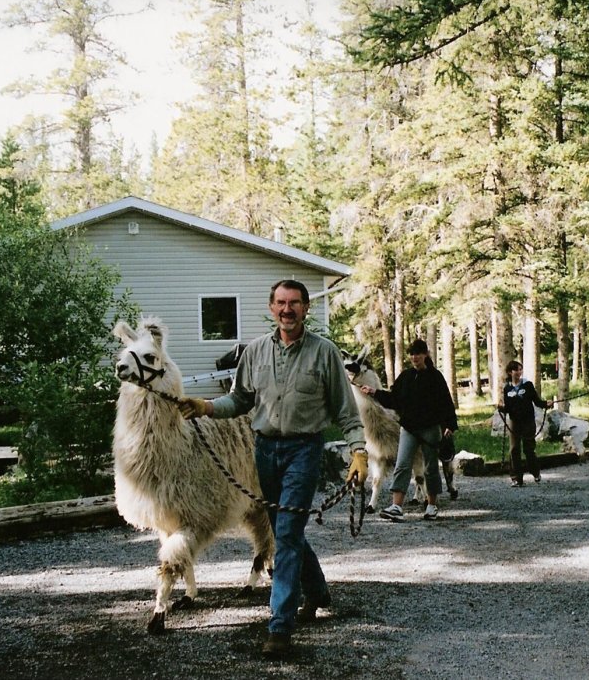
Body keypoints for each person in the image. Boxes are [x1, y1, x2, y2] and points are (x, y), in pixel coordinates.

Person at [178, 279, 368, 658]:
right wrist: (206, 407)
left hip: (304, 450)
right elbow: (240, 400)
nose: (287, 309)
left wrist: (358, 452)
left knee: (285, 533)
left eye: (294, 303)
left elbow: (347, 412)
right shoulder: (255, 353)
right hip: (264, 451)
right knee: (289, 529)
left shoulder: (325, 353)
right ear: (271, 308)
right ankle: (317, 591)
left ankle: (280, 625)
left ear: (305, 308)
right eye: (281, 303)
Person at [360, 338, 457, 522]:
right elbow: (394, 399)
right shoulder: (405, 377)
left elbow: (446, 403)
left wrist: (449, 426)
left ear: (425, 354)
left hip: (430, 429)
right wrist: (374, 393)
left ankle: (431, 505)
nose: (414, 357)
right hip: (409, 428)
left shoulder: (435, 377)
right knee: (402, 464)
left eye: (418, 354)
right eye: (412, 354)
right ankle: (396, 506)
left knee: (430, 468)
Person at [498, 360, 553, 486]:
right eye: (516, 370)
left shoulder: (527, 385)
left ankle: (535, 472)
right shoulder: (507, 389)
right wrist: (501, 407)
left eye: (520, 369)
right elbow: (508, 408)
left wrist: (546, 404)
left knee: (529, 448)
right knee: (514, 449)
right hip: (514, 421)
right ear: (509, 372)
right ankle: (516, 478)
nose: (518, 372)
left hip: (528, 420)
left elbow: (536, 401)